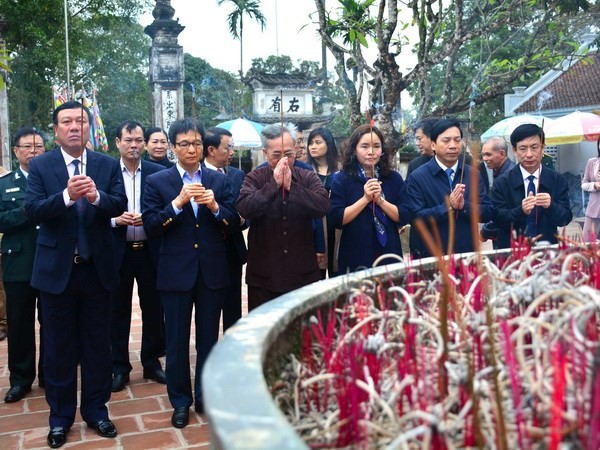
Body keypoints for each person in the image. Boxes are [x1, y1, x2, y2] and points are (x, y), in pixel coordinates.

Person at [24, 100, 127, 448]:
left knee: (98, 346)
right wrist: (66, 197)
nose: (73, 127)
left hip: (96, 271)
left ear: (89, 127)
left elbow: (119, 205)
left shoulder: (106, 165)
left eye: (80, 122)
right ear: (56, 130)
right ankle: (60, 418)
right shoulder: (41, 166)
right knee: (58, 349)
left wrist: (97, 197)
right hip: (57, 273)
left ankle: (97, 411)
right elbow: (32, 210)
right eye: (66, 122)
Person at [142, 118, 236, 428]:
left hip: (211, 271)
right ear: (172, 148)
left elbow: (235, 222)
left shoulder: (218, 180)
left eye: (196, 143)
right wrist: (178, 203)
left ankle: (205, 397)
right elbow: (152, 226)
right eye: (184, 144)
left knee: (209, 338)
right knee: (177, 341)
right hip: (175, 272)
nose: (191, 149)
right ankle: (180, 402)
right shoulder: (158, 182)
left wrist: (215, 209)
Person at [236, 124, 329, 311]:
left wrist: (291, 188)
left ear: (296, 149)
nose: (284, 160)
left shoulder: (307, 176)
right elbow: (245, 209)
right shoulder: (254, 178)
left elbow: (323, 206)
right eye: (276, 155)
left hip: (302, 272)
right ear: (265, 152)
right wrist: (274, 185)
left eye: (289, 153)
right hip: (264, 275)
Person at [110, 120, 166, 393]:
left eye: (138, 140)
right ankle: (119, 366)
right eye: (128, 140)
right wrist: (115, 219)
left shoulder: (158, 172)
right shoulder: (106, 172)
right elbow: (93, 210)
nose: (134, 145)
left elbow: (166, 209)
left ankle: (152, 362)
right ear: (117, 143)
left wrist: (152, 219)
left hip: (150, 250)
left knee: (154, 308)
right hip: (117, 251)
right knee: (116, 309)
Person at [1, 127, 46, 403]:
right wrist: (29, 211)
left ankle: (51, 374)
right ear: (16, 151)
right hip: (18, 262)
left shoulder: (54, 180)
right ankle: (20, 378)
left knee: (52, 323)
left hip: (51, 261)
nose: (33, 151)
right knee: (19, 324)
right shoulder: (5, 184)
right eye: (27, 146)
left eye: (38, 146)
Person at [330, 125, 413, 274]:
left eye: (376, 146)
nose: (371, 152)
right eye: (364, 146)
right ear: (354, 149)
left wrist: (380, 200)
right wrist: (365, 199)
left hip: (389, 250)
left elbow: (404, 216)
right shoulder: (341, 179)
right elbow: (337, 219)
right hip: (355, 250)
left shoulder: (393, 178)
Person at [407, 118, 493, 257]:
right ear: (433, 145)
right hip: (431, 255)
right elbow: (415, 218)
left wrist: (465, 206)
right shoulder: (417, 177)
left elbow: (488, 212)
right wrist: (448, 206)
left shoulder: (472, 174)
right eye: (446, 140)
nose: (453, 145)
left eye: (457, 140)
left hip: (466, 253)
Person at [491, 124, 572, 248]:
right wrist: (520, 211)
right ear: (514, 150)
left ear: (543, 148)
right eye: (523, 148)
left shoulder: (557, 179)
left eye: (534, 147)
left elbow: (565, 219)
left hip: (547, 249)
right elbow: (497, 219)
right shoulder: (502, 182)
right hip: (512, 250)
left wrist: (551, 206)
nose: (529, 154)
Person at [202, 126, 247, 331]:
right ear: (211, 150)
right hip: (204, 251)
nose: (232, 152)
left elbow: (245, 211)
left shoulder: (237, 175)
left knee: (233, 305)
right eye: (228, 148)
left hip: (232, 249)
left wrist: (243, 220)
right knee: (207, 308)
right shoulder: (196, 175)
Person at [306, 127, 339, 278]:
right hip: (314, 225)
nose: (313, 146)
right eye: (311, 143)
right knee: (315, 273)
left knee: (336, 270)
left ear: (329, 144)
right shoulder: (305, 170)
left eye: (318, 142)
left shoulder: (341, 169)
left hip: (337, 226)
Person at [479, 137, 516, 246]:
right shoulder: (502, 172)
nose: (485, 159)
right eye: (483, 155)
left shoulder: (508, 176)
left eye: (488, 154)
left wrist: (485, 231)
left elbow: (503, 214)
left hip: (509, 237)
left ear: (502, 154)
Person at [582, 138, 600, 241]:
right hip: (594, 210)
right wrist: (594, 185)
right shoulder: (592, 162)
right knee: (587, 245)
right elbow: (584, 184)